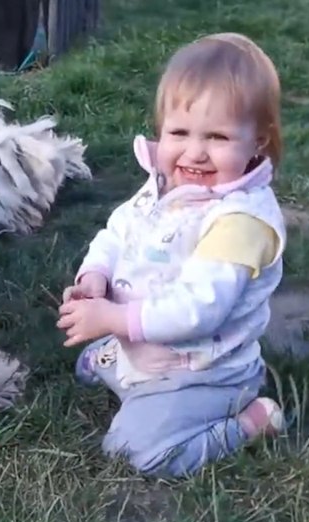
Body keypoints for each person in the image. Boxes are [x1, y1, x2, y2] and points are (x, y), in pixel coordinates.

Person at [56, 32, 288, 478]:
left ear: (258, 140)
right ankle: (123, 360)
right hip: (147, 345)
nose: (195, 152)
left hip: (201, 368)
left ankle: (246, 421)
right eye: (179, 132)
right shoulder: (170, 184)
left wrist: (113, 320)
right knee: (98, 361)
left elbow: (198, 311)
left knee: (133, 452)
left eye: (218, 136)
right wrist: (96, 275)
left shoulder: (240, 222)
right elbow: (120, 228)